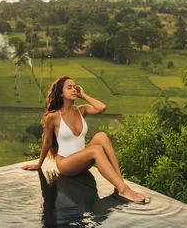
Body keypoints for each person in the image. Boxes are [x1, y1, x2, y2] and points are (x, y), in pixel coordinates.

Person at [22, 75, 149, 204]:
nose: (74, 90)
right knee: (96, 150)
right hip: (65, 164)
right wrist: (39, 164)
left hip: (81, 161)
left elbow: (101, 108)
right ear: (61, 93)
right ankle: (123, 190)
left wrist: (84, 95)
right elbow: (48, 142)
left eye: (75, 87)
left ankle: (120, 184)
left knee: (102, 136)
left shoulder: (81, 110)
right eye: (69, 87)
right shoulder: (53, 116)